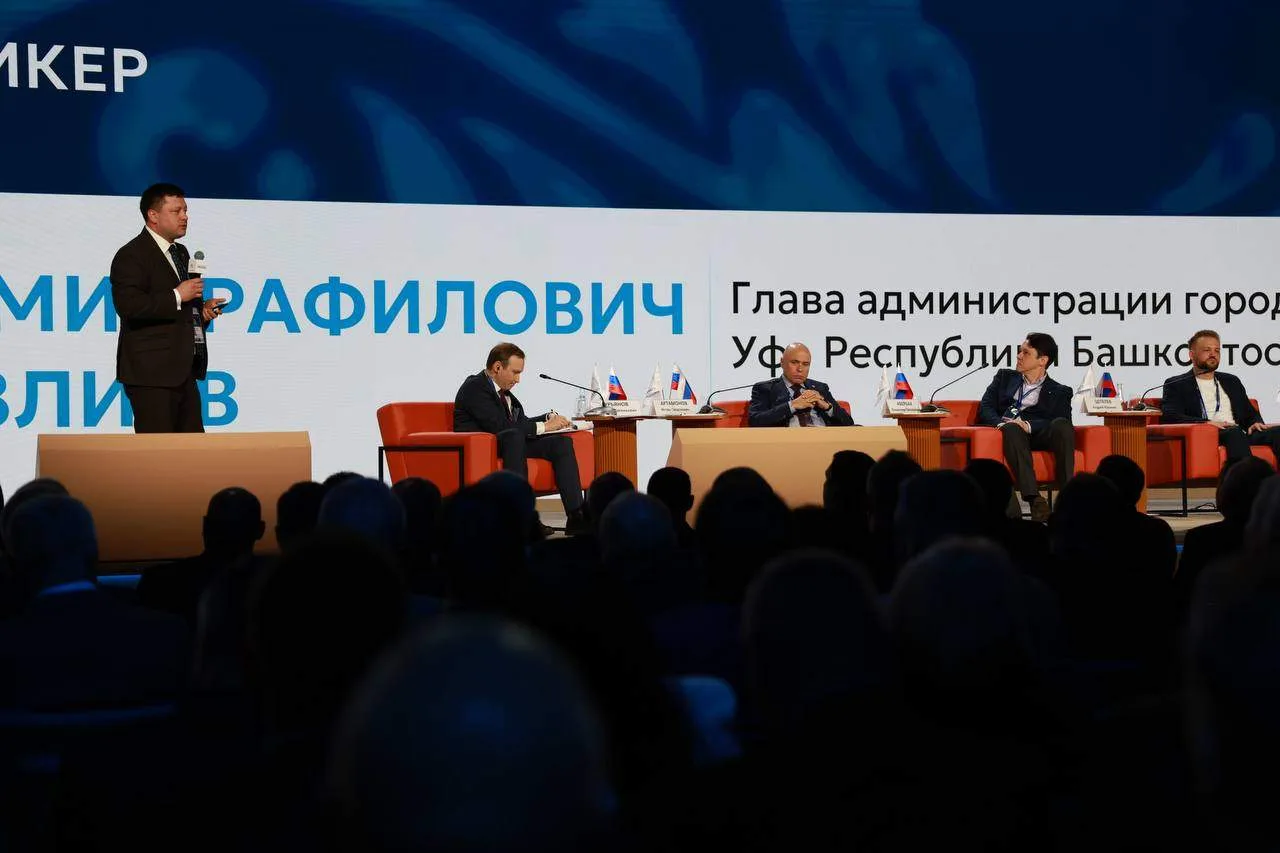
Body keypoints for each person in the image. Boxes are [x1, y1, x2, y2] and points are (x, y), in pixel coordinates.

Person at [453, 343, 587, 534]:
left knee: (561, 443)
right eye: (515, 372)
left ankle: (577, 517)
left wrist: (546, 419)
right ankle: (522, 518)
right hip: (482, 448)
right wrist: (544, 427)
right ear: (497, 367)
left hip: (509, 444)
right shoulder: (475, 387)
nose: (518, 379)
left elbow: (519, 423)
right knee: (514, 437)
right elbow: (499, 426)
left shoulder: (505, 394)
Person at [977, 333, 1074, 522]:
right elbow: (986, 407)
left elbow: (1062, 419)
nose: (1019, 356)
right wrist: (1000, 424)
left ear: (1042, 360)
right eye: (1020, 351)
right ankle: (1034, 499)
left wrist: (1029, 425)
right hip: (1009, 435)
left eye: (1026, 353)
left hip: (1039, 435)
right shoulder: (1004, 377)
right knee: (1011, 428)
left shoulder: (1060, 391)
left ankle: (1069, 498)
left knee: (1062, 425)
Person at [1159, 329, 1280, 463]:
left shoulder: (1232, 381)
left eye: (1217, 350)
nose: (1213, 354)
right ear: (1191, 355)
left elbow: (1250, 413)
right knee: (1234, 432)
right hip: (1211, 434)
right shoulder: (1177, 384)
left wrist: (1255, 422)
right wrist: (1207, 423)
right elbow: (1171, 416)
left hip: (1240, 433)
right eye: (1207, 350)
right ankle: (1246, 476)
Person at [748, 342, 855, 427]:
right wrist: (792, 405)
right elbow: (755, 421)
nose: (800, 369)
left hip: (824, 439)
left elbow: (849, 423)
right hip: (789, 442)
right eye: (794, 362)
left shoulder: (820, 388)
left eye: (805, 364)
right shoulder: (765, 388)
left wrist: (827, 407)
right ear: (782, 362)